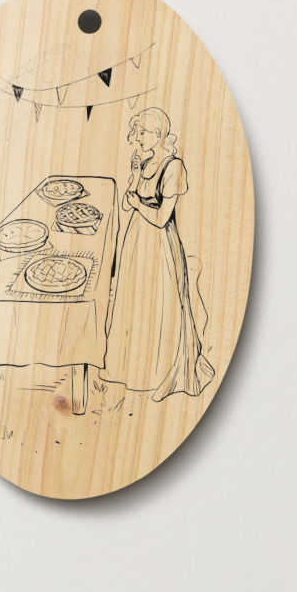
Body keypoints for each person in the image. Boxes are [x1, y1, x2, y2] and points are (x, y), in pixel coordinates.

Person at [100, 107, 214, 402]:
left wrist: (137, 203)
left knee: (160, 305)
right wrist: (135, 175)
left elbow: (163, 217)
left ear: (159, 134)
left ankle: (157, 373)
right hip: (137, 240)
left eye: (143, 132)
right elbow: (128, 203)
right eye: (137, 132)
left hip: (160, 246)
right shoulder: (144, 160)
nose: (138, 138)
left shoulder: (173, 166)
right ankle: (132, 371)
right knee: (134, 302)